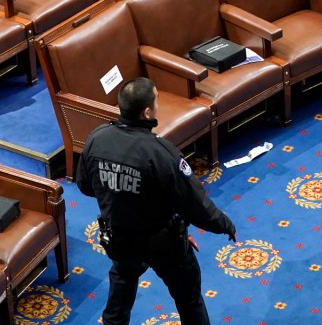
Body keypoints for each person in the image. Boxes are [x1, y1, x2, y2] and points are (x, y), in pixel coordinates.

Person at [77, 77, 237, 325]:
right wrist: (224, 224)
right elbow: (194, 204)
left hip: (119, 238)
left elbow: (86, 186)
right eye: (157, 99)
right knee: (188, 298)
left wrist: (120, 197)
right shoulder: (161, 152)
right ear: (147, 111)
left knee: (119, 296)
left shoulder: (97, 137)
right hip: (163, 243)